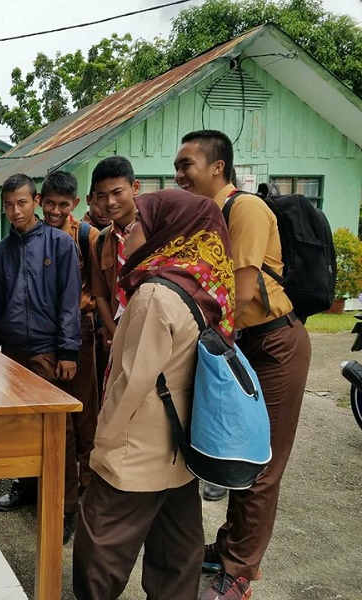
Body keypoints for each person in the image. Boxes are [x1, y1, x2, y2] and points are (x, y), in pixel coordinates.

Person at [73, 189, 236, 600]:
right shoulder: (204, 284)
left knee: (101, 548)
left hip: (137, 446)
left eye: (136, 225)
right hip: (182, 446)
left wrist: (102, 445)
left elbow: (131, 382)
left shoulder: (155, 294)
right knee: (177, 552)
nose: (125, 234)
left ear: (166, 230)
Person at [174, 129, 312, 600]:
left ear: (217, 167)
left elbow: (242, 291)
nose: (178, 174)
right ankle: (230, 545)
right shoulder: (207, 217)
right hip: (243, 345)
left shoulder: (246, 210)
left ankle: (240, 570)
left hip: (275, 344)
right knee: (238, 452)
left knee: (261, 462)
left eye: (186, 164)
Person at [0, 173, 82, 543]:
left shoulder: (59, 245)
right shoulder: (0, 252)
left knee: (61, 431)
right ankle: (25, 487)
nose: (15, 210)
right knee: (20, 427)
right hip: (12, 353)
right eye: (8, 204)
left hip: (48, 352)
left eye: (22, 202)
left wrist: (68, 350)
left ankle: (65, 506)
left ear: (36, 201)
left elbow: (68, 301)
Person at [23, 171, 100, 538]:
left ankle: (81, 497)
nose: (55, 211)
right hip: (40, 338)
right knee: (42, 417)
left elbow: (99, 292)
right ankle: (37, 487)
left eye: (63, 205)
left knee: (81, 416)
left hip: (78, 335)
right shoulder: (29, 234)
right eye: (49, 203)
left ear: (76, 205)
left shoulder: (87, 237)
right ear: (39, 200)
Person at [90, 156, 140, 344]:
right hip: (118, 338)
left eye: (117, 192)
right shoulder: (101, 241)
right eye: (101, 196)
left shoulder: (158, 232)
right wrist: (116, 332)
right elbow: (100, 293)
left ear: (135, 187)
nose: (110, 202)